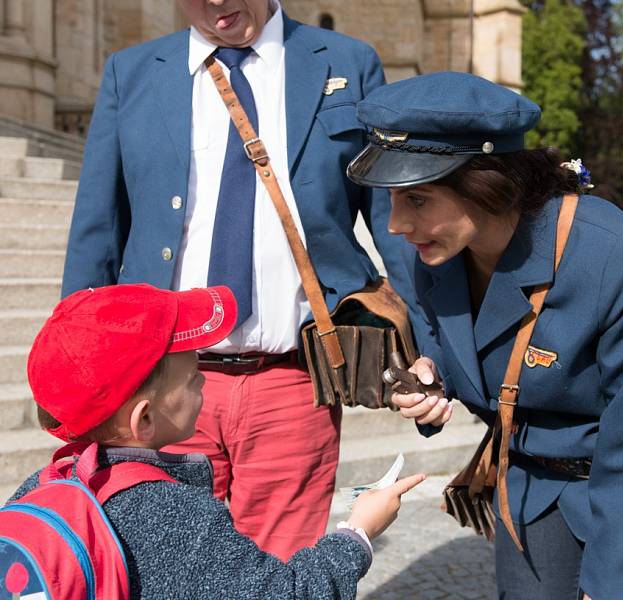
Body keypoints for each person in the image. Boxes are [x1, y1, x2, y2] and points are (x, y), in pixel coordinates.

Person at [346, 72, 623, 600]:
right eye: (391, 200)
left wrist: (614, 585)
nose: (396, 225)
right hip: (535, 485)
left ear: (485, 182)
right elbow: (466, 347)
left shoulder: (614, 255)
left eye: (418, 200)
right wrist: (435, 376)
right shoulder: (434, 253)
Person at [60, 0, 420, 560]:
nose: (216, 2)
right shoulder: (130, 73)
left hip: (293, 383)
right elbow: (97, 232)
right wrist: (80, 374)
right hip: (163, 384)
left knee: (280, 575)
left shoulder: (347, 61)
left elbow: (395, 223)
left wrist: (432, 347)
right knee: (164, 570)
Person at [8, 283, 424, 599]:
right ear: (145, 418)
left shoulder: (39, 487)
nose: (204, 378)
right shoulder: (175, 517)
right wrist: (358, 534)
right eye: (192, 377)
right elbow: (288, 592)